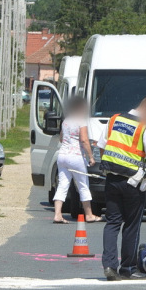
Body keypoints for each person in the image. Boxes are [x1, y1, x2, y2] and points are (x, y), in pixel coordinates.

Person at [98, 96, 146, 281]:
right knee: (132, 225)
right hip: (132, 183)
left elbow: (102, 146)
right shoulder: (144, 126)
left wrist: (109, 166)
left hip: (112, 178)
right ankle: (128, 268)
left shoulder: (115, 119)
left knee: (112, 223)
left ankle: (110, 267)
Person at [52, 96, 101, 224]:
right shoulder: (81, 120)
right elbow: (84, 140)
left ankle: (57, 214)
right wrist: (91, 157)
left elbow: (61, 138)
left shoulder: (66, 121)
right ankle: (89, 215)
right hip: (76, 156)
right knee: (83, 185)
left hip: (62, 155)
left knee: (63, 185)